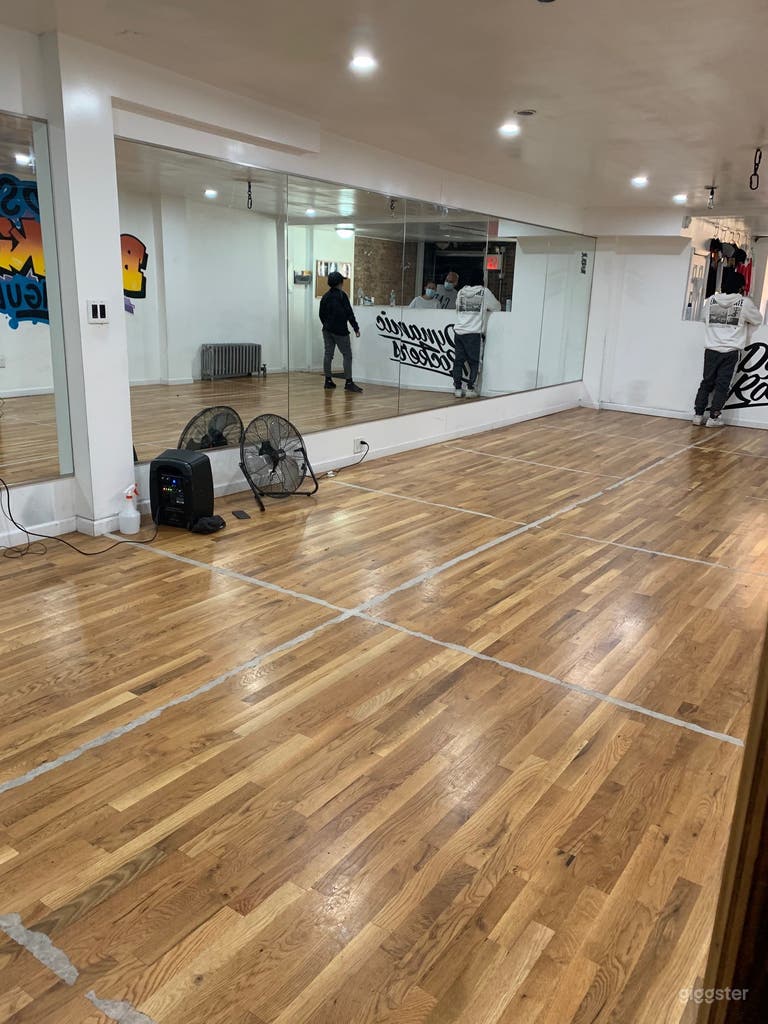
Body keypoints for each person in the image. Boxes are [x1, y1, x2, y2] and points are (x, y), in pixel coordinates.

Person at [693, 270, 762, 427]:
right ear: (741, 287)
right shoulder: (744, 303)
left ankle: (697, 415)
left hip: (711, 349)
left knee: (706, 382)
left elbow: (703, 317)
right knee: (723, 385)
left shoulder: (711, 300)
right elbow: (757, 319)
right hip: (731, 350)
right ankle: (713, 417)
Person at [452, 268, 501, 398]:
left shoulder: (461, 292)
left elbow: (457, 308)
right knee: (474, 362)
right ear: (482, 278)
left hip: (459, 331)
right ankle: (470, 389)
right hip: (474, 333)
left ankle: (457, 389)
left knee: (458, 361)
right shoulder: (484, 292)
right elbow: (497, 306)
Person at [319, 271, 363, 393]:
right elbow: (349, 313)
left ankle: (328, 380)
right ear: (339, 283)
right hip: (340, 331)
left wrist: (327, 324)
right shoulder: (342, 296)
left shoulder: (325, 296)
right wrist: (356, 328)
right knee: (347, 355)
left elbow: (321, 314)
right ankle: (349, 382)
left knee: (328, 354)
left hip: (327, 330)